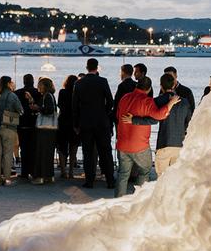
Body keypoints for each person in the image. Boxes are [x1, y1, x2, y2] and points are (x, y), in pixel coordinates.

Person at [114, 77, 179, 197]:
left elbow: (118, 115)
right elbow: (159, 115)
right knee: (145, 170)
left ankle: (118, 201)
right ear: (149, 88)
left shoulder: (124, 98)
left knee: (123, 174)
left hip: (122, 144)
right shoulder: (147, 101)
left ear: (137, 85)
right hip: (139, 145)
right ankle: (138, 199)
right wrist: (171, 102)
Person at [124, 72, 192, 177]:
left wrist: (134, 120)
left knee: (161, 178)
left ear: (161, 85)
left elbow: (152, 120)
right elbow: (189, 122)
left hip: (164, 143)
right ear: (174, 85)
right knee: (176, 178)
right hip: (180, 144)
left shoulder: (157, 101)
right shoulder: (185, 102)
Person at [72, 58, 115, 189]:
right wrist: (104, 113)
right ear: (97, 67)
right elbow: (110, 102)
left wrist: (76, 124)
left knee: (88, 153)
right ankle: (110, 181)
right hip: (102, 122)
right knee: (106, 152)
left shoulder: (79, 84)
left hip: (85, 122)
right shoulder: (103, 81)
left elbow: (74, 106)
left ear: (86, 67)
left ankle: (89, 181)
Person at [0, 75, 23, 186]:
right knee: (8, 153)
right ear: (9, 83)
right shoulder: (12, 95)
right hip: (9, 127)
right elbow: (20, 110)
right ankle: (7, 178)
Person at [13, 74, 39, 181]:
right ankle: (33, 171)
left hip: (22, 123)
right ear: (33, 81)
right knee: (33, 148)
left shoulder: (17, 93)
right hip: (34, 124)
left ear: (24, 81)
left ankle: (24, 172)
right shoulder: (38, 92)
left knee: (23, 148)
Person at [33, 77, 58, 184]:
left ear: (44, 86)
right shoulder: (50, 96)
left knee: (41, 152)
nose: (38, 87)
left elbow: (49, 110)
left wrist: (37, 108)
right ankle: (49, 175)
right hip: (51, 129)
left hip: (44, 129)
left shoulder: (47, 96)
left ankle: (41, 177)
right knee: (48, 152)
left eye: (40, 85)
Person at [56, 74, 79, 179]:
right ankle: (71, 171)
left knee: (62, 147)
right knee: (73, 146)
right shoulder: (78, 93)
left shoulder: (62, 92)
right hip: (74, 122)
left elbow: (59, 105)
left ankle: (63, 171)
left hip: (63, 121)